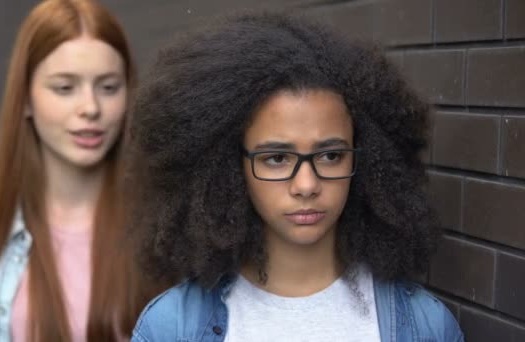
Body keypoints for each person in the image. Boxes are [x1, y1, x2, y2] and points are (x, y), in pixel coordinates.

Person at [126, 11, 463, 342]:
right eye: (276, 158)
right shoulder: (172, 328)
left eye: (331, 156)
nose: (306, 185)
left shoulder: (425, 327)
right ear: (229, 167)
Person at [0, 0, 159, 341]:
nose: (90, 108)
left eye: (108, 87)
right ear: (26, 97)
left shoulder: (161, 219)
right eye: (64, 87)